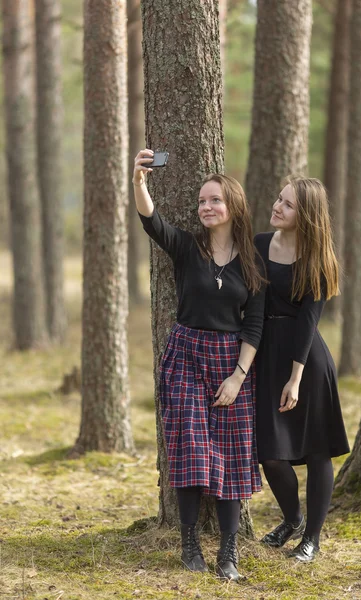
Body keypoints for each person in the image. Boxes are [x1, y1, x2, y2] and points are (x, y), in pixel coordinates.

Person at [132, 149, 265, 580]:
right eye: (202, 201)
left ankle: (228, 553)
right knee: (189, 446)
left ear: (233, 208)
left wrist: (238, 377)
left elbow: (254, 326)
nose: (206, 208)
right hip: (186, 354)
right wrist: (139, 182)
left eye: (215, 201)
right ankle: (189, 544)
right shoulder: (188, 248)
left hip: (231, 363)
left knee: (230, 456)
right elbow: (152, 222)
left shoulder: (251, 263)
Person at [255, 176, 350, 562]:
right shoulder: (260, 245)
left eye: (288, 204)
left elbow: (309, 322)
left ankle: (312, 538)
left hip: (306, 360)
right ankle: (292, 519)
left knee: (316, 451)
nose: (278, 206)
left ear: (305, 214)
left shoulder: (319, 260)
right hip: (266, 354)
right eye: (279, 199)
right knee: (270, 452)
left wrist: (295, 380)